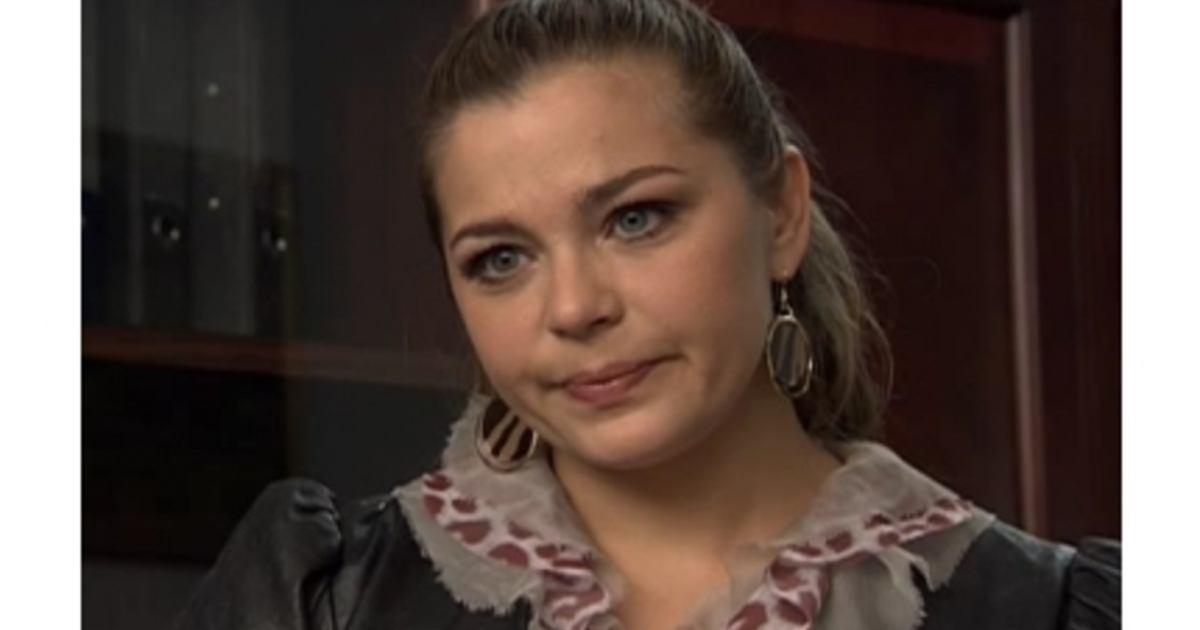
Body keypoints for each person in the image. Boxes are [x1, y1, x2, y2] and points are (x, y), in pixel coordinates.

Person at [171, 0, 1120, 629]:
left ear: (782, 213)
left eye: (636, 218)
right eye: (501, 259)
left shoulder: (1051, 610)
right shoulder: (320, 601)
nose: (575, 308)